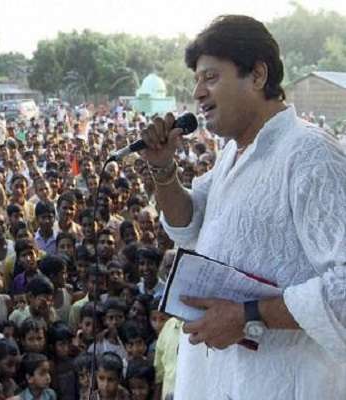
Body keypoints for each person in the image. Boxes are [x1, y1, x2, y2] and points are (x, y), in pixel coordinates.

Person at [139, 15, 346, 399]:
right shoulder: (232, 152)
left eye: (211, 77)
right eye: (196, 80)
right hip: (222, 379)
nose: (198, 93)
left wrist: (247, 315)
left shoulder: (311, 154)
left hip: (283, 382)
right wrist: (163, 169)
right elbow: (188, 224)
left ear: (257, 75)